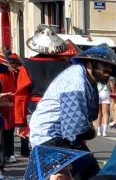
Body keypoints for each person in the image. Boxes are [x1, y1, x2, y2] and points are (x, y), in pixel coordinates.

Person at [28, 45, 116, 180]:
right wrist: (90, 132)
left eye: (111, 67)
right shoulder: (76, 81)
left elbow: (90, 116)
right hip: (51, 138)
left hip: (64, 138)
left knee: (97, 178)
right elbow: (75, 130)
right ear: (90, 63)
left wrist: (88, 130)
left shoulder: (87, 79)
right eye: (105, 65)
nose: (109, 70)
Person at [13, 27, 74, 158]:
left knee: (40, 142)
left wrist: (20, 121)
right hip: (61, 107)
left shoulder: (28, 65)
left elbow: (22, 95)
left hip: (37, 108)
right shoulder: (66, 65)